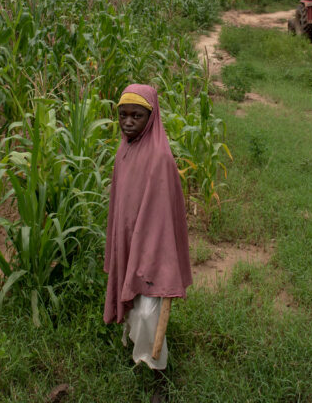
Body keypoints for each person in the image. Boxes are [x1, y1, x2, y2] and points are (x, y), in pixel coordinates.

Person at [104, 85, 192, 398]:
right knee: (136, 309)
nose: (128, 122)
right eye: (123, 115)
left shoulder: (160, 158)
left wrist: (147, 246)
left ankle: (160, 376)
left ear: (151, 118)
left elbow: (162, 215)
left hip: (154, 249)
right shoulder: (125, 149)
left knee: (148, 311)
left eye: (136, 116)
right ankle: (139, 355)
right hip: (130, 241)